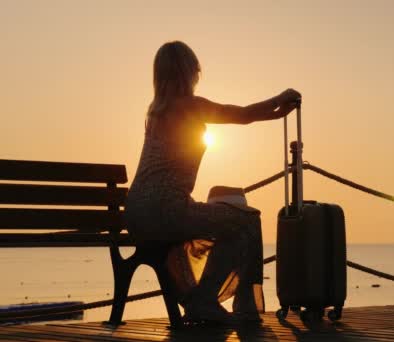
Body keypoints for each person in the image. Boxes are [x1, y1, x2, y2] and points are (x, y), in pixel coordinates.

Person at [125, 41, 301, 323]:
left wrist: (275, 112)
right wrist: (280, 98)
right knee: (246, 220)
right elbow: (242, 115)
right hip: (167, 210)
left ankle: (203, 299)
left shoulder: (154, 113)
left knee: (227, 220)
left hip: (135, 215)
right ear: (188, 73)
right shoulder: (190, 106)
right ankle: (208, 299)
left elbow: (245, 116)